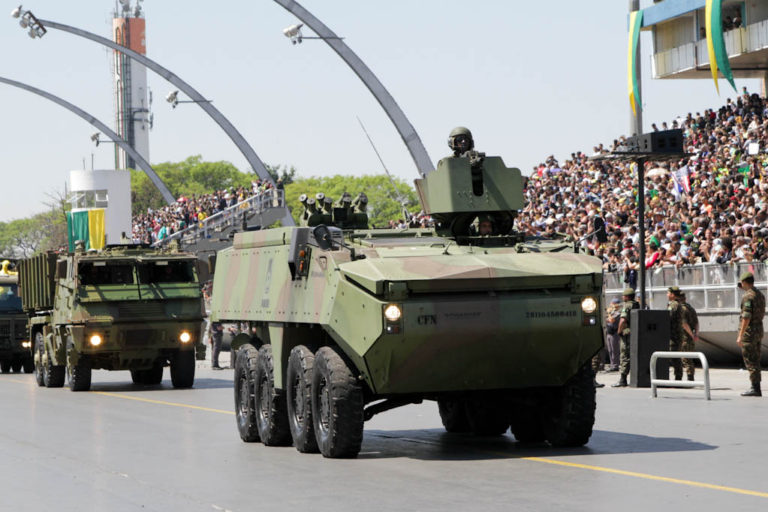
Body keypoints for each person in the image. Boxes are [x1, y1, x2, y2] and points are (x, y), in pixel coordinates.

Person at [737, 272, 764, 397]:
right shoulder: (760, 295)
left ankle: (755, 388)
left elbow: (746, 317)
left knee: (750, 360)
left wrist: (740, 335)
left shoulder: (748, 296)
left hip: (750, 332)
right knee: (756, 359)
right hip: (758, 330)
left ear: (744, 282)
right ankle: (756, 386)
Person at [612, 288, 640, 387]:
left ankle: (622, 379)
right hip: (635, 333)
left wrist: (619, 331)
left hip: (627, 334)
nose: (622, 297)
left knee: (624, 356)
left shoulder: (627, 306)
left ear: (627, 297)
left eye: (623, 296)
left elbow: (623, 320)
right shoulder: (636, 304)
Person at [667, 286, 689, 381]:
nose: (667, 295)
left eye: (668, 293)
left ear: (672, 294)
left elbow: (667, 317)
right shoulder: (675, 304)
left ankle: (678, 378)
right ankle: (678, 377)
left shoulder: (674, 305)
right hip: (675, 335)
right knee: (674, 356)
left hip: (674, 336)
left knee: (674, 357)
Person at [680, 293, 699, 381]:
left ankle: (690, 378)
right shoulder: (690, 308)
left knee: (686, 359)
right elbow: (696, 323)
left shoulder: (682, 309)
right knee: (689, 358)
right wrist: (696, 334)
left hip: (684, 337)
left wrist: (691, 334)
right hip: (690, 337)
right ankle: (691, 377)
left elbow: (684, 324)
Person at [605, 297, 622, 372]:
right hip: (609, 333)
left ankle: (616, 365)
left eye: (613, 304)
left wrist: (608, 313)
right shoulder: (611, 312)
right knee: (610, 350)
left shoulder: (618, 313)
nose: (611, 305)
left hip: (614, 333)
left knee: (615, 350)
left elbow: (611, 320)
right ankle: (612, 364)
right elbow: (605, 319)